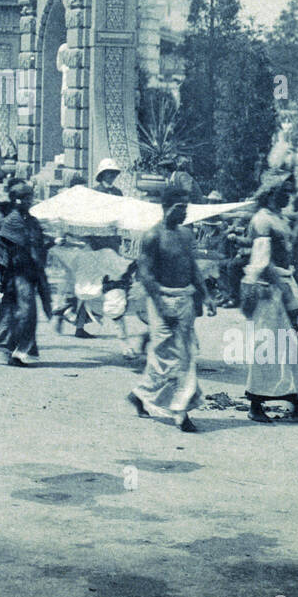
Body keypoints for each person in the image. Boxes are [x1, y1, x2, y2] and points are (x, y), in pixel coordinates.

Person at [240, 172, 298, 422]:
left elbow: (289, 253)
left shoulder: (279, 218)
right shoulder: (262, 220)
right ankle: (255, 404)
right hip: (268, 289)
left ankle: (296, 403)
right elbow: (263, 262)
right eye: (284, 190)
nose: (289, 195)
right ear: (272, 192)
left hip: (285, 284)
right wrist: (285, 293)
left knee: (294, 346)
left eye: (290, 190)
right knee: (267, 347)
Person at [126, 182, 205, 432]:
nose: (185, 212)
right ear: (166, 207)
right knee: (166, 357)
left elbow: (192, 267)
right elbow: (146, 275)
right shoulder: (152, 236)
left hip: (184, 299)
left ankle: (160, 402)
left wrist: (205, 296)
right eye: (181, 207)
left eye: (187, 207)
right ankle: (176, 409)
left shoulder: (186, 234)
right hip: (161, 300)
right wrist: (162, 307)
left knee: (186, 354)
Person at [0, 179, 52, 367]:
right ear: (15, 200)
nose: (29, 201)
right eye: (25, 198)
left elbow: (37, 246)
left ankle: (17, 352)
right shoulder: (11, 222)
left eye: (30, 197)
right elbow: (2, 254)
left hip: (32, 273)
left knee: (23, 314)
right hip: (16, 275)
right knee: (23, 313)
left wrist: (53, 242)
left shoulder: (32, 221)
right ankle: (16, 351)